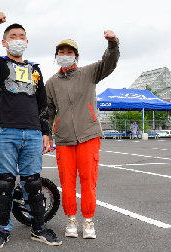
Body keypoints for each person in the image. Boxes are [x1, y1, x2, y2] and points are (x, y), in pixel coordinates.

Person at [0, 11, 62, 249]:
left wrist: (46, 133)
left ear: (26, 41)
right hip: (4, 131)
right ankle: (3, 229)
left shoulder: (35, 70)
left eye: (22, 35)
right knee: (4, 182)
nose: (18, 39)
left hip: (33, 133)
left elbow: (42, 104)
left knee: (33, 182)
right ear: (4, 42)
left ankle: (39, 227)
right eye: (13, 35)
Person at [46, 32, 120, 239]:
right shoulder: (51, 83)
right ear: (56, 56)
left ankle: (88, 221)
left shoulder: (89, 72)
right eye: (61, 52)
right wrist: (47, 135)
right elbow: (49, 111)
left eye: (69, 52)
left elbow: (110, 62)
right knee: (67, 182)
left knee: (88, 180)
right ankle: (71, 220)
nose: (65, 55)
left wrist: (112, 42)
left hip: (89, 135)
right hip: (63, 138)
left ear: (76, 56)